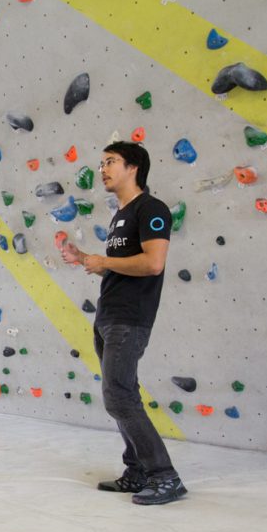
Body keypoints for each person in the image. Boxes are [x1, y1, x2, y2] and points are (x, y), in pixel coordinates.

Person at [61, 141, 187, 505]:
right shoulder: (119, 216)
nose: (102, 169)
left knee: (119, 396)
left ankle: (165, 476)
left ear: (134, 167)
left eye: (110, 162)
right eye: (101, 163)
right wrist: (85, 257)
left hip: (130, 318)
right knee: (120, 394)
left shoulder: (151, 209)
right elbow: (115, 265)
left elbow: (153, 264)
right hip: (108, 315)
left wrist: (102, 261)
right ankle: (136, 472)